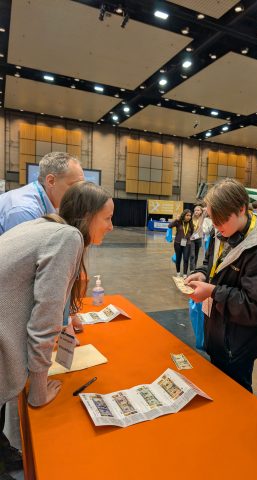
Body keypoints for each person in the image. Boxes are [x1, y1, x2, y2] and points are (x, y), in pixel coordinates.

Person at [0, 182, 113, 478]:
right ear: (88, 216)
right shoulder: (68, 237)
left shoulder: (46, 224)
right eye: (107, 218)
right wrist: (38, 390)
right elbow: (44, 319)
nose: (112, 227)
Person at [0, 151, 84, 477]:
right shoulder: (30, 213)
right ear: (51, 181)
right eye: (73, 185)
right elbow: (41, 296)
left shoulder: (45, 213)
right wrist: (37, 387)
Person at [186, 178, 257, 392]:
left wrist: (213, 291)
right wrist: (201, 275)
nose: (218, 227)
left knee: (236, 396)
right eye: (214, 219)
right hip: (217, 334)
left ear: (242, 209)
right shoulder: (220, 232)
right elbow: (210, 265)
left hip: (238, 347)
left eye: (222, 220)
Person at [0, 151, 84, 234]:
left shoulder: (50, 201)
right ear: (51, 181)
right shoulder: (24, 211)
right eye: (74, 185)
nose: (80, 191)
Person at [168, 209, 194, 278]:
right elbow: (169, 226)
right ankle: (178, 273)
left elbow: (191, 232)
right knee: (178, 258)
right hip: (178, 243)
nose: (189, 217)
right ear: (184, 215)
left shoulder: (190, 223)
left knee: (186, 259)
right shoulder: (178, 222)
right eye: (187, 215)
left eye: (190, 215)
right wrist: (176, 219)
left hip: (187, 243)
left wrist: (187, 238)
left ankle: (185, 274)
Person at [189, 205, 205, 271]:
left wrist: (203, 209)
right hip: (191, 239)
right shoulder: (191, 218)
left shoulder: (203, 217)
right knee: (192, 255)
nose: (196, 211)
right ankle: (192, 270)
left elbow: (207, 210)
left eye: (198, 210)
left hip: (198, 239)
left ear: (201, 212)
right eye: (195, 210)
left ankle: (194, 269)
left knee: (196, 255)